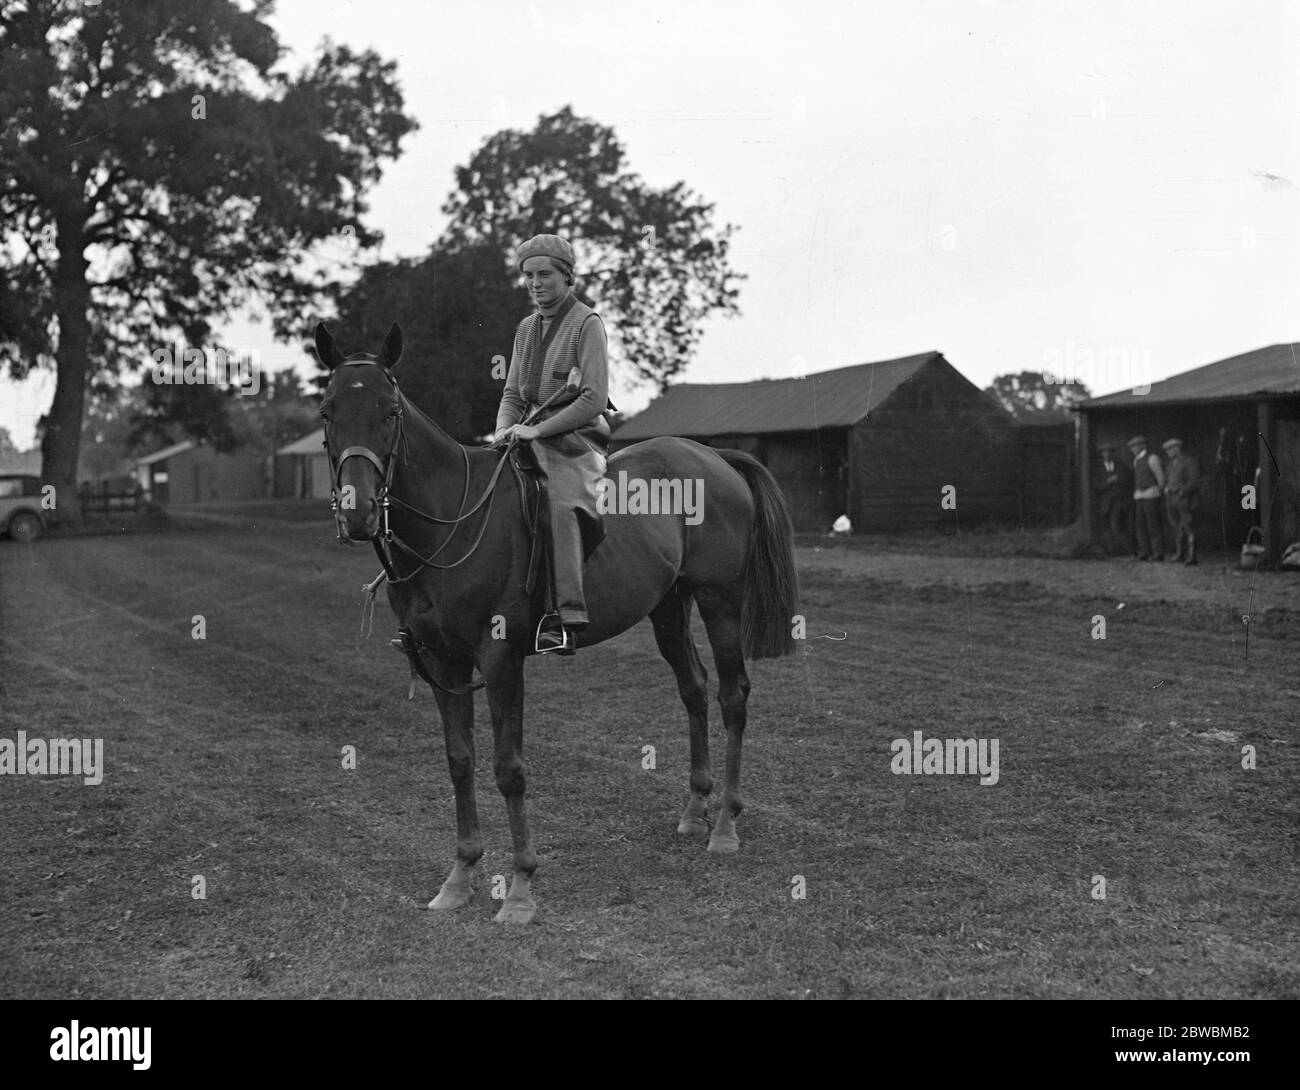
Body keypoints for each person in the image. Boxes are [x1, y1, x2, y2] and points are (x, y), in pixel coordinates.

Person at [493, 234, 612, 655]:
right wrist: (504, 429)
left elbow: (594, 398)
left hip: (576, 440)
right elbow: (512, 393)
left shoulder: (587, 323)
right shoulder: (525, 329)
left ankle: (564, 617)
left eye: (544, 274)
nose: (535, 283)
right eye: (528, 276)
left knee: (559, 502)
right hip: (526, 432)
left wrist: (539, 432)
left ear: (566, 276)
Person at [1127, 435, 1166, 561]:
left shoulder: (1152, 458)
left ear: (1143, 446)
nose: (1133, 449)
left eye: (1135, 446)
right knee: (1140, 525)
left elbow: (1160, 477)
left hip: (1151, 495)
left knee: (1153, 525)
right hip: (1139, 496)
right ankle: (1145, 551)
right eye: (1132, 447)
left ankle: (1158, 553)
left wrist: (1157, 490)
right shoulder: (1136, 460)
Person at [1162, 437, 1200, 565]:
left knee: (1188, 526)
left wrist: (1183, 491)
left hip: (1184, 498)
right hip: (1171, 498)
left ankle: (1192, 556)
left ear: (1177, 448)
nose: (1168, 452)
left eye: (1170, 449)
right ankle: (1180, 554)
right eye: (1167, 450)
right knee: (1176, 526)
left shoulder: (1188, 461)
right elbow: (1169, 479)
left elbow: (1194, 480)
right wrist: (1167, 487)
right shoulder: (1170, 464)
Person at [1093, 443, 1132, 555]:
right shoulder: (1099, 469)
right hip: (1105, 503)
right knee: (1106, 527)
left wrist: (1119, 481)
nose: (1107, 454)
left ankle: (1132, 550)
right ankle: (1112, 551)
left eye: (1109, 452)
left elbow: (1128, 481)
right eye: (1105, 452)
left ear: (1113, 454)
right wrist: (1108, 482)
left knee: (1116, 524)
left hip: (1119, 501)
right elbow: (1096, 486)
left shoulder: (1121, 466)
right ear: (1102, 454)